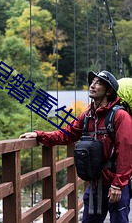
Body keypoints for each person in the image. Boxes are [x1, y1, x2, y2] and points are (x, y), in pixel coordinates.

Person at [19, 70, 132, 223]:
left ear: (109, 91)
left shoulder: (120, 116)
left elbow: (126, 151)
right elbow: (67, 134)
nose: (92, 85)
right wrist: (40, 135)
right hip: (95, 183)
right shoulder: (87, 116)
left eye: (98, 83)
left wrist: (118, 185)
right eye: (92, 82)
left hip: (115, 184)